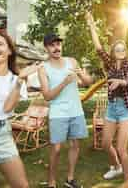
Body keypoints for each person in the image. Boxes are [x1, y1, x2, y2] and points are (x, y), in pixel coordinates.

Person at [0, 30, 37, 187]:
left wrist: (20, 80)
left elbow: (7, 108)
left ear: (9, 51)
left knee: (21, 185)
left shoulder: (16, 79)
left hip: (0, 134)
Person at [86, 12, 128, 180]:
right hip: (112, 107)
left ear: (126, 51)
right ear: (114, 52)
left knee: (122, 149)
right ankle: (116, 167)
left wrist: (118, 81)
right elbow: (98, 48)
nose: (120, 51)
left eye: (123, 49)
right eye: (117, 49)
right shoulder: (109, 65)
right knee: (105, 144)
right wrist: (92, 26)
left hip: (125, 108)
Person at [38, 33, 93, 188]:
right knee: (56, 148)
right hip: (58, 113)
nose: (57, 48)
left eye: (58, 44)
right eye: (52, 45)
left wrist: (82, 74)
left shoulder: (72, 61)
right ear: (46, 48)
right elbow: (47, 96)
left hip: (76, 111)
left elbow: (88, 82)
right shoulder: (43, 68)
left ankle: (70, 178)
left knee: (75, 145)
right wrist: (64, 82)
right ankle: (51, 181)